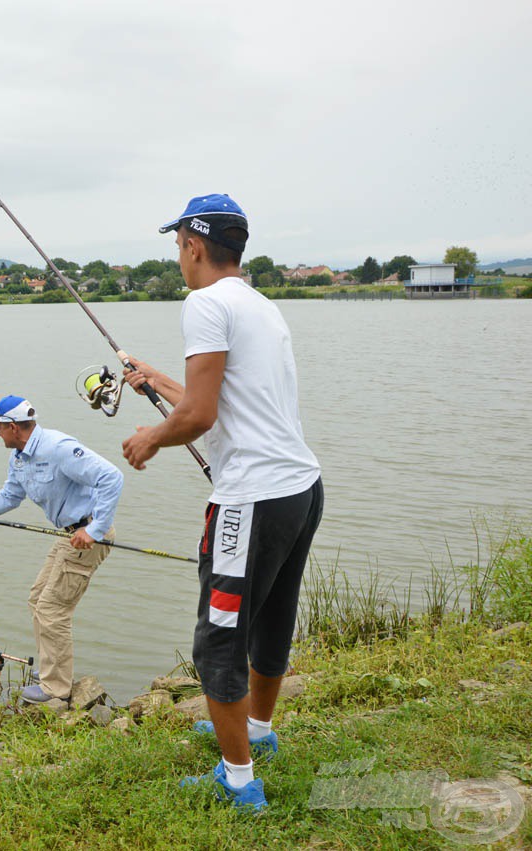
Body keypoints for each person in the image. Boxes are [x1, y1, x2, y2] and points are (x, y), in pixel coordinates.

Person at [120, 193, 323, 812]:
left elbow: (199, 415)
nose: (179, 258)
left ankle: (240, 781)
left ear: (193, 245)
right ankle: (257, 730)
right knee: (271, 619)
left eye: (178, 246)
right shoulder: (260, 305)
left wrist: (149, 437)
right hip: (300, 488)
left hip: (251, 500)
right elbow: (227, 404)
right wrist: (156, 379)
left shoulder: (204, 303)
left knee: (218, 642)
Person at [0, 395, 124, 706]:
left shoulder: (58, 448)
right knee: (38, 599)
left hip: (88, 535)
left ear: (13, 427)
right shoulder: (20, 457)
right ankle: (52, 670)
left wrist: (94, 530)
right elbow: (9, 497)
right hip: (67, 534)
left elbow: (112, 477)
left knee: (53, 610)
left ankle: (56, 689)